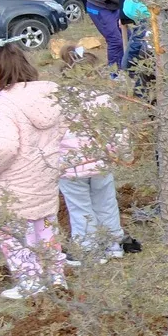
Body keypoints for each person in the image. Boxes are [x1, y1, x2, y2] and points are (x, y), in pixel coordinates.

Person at [0, 46, 69, 299]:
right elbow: (62, 128)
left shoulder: (3, 105)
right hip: (44, 177)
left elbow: (2, 147)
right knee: (46, 225)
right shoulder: (48, 94)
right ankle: (55, 275)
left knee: (13, 232)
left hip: (13, 183)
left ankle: (31, 280)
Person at [55, 48, 136, 260]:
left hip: (70, 168)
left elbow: (53, 136)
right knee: (106, 204)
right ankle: (113, 246)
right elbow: (117, 130)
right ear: (93, 73)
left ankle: (89, 250)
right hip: (100, 164)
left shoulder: (58, 102)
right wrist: (120, 153)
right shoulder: (103, 99)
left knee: (80, 209)